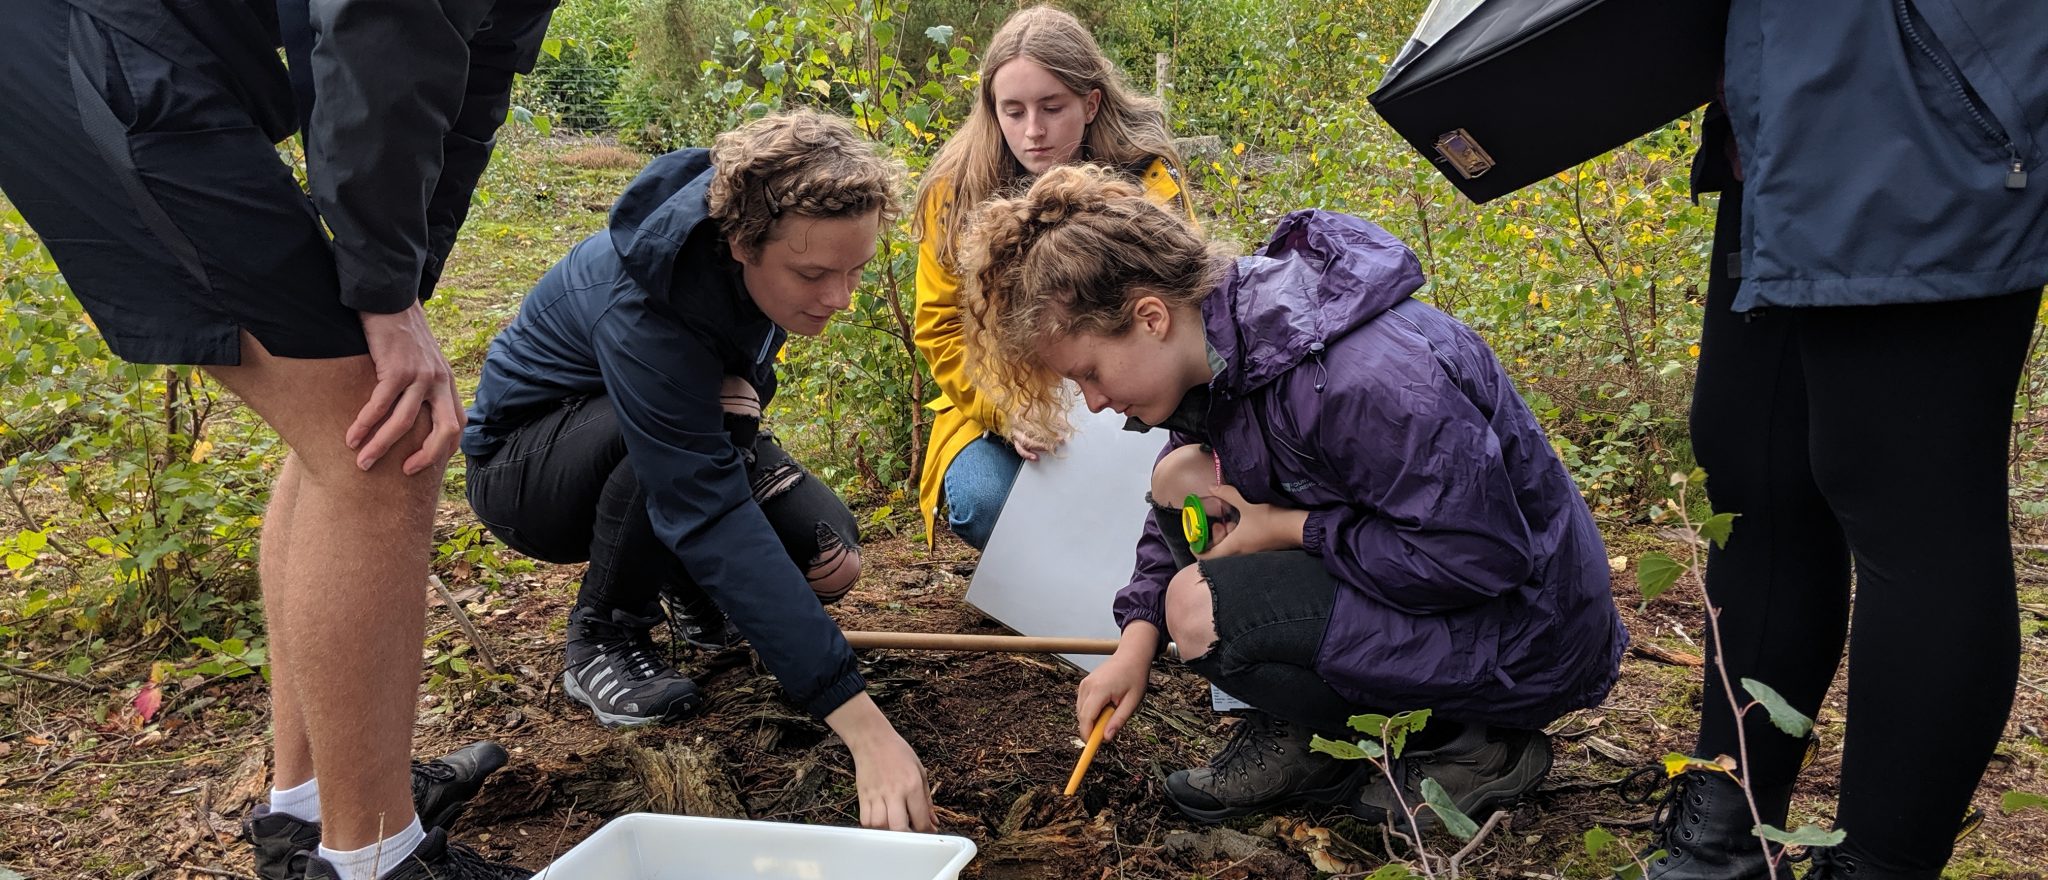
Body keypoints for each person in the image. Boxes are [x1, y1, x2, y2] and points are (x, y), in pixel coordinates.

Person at [0, 0, 555, 877]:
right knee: (383, 440)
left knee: (350, 417)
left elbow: (476, 78)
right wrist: (381, 293)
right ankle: (374, 857)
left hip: (152, 49)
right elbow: (382, 22)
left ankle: (306, 814)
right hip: (89, 39)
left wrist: (397, 282)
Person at [957, 164, 1628, 824]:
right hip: (1452, 600)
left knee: (1203, 612)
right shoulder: (1225, 355)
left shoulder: (1365, 378)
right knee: (1180, 479)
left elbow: (1478, 558)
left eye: (1091, 374)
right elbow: (1185, 505)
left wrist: (1289, 528)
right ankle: (1319, 740)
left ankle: (1472, 743)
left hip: (1526, 633)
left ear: (1151, 316)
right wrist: (1133, 645)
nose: (1097, 403)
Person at [1636, 3, 2048, 878]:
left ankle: (1876, 865)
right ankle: (1724, 831)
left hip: (1930, 102)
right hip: (1790, 98)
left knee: (1910, 503)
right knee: (1751, 462)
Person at [462, 110, 936, 832]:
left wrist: (736, 416)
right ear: (743, 243)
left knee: (825, 552)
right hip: (527, 470)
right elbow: (703, 500)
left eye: (856, 270)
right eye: (814, 275)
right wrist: (862, 724)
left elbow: (729, 398)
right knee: (677, 446)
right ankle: (605, 635)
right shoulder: (647, 300)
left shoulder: (753, 258)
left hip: (660, 426)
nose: (840, 297)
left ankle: (688, 589)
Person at [911, 4, 1192, 550]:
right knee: (984, 502)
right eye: (1012, 112)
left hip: (1133, 395)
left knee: (1173, 493)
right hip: (998, 402)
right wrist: (1006, 408)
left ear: (1091, 104)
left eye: (1052, 107)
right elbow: (940, 328)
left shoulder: (1147, 176)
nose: (1032, 131)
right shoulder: (955, 192)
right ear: (991, 110)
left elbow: (1183, 300)